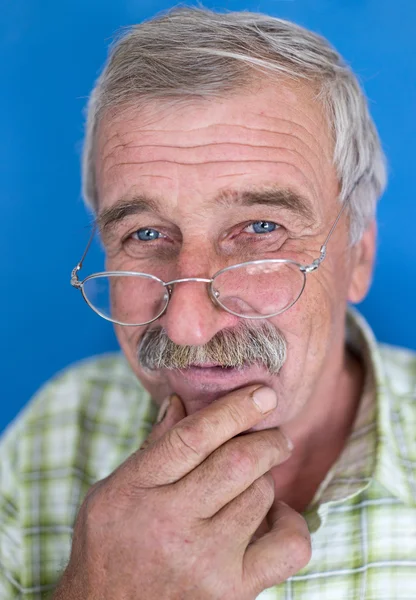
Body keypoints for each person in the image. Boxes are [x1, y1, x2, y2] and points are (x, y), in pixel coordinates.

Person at [1, 6, 415, 600]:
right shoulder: (54, 427)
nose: (188, 328)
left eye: (260, 228)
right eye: (145, 235)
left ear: (360, 257)